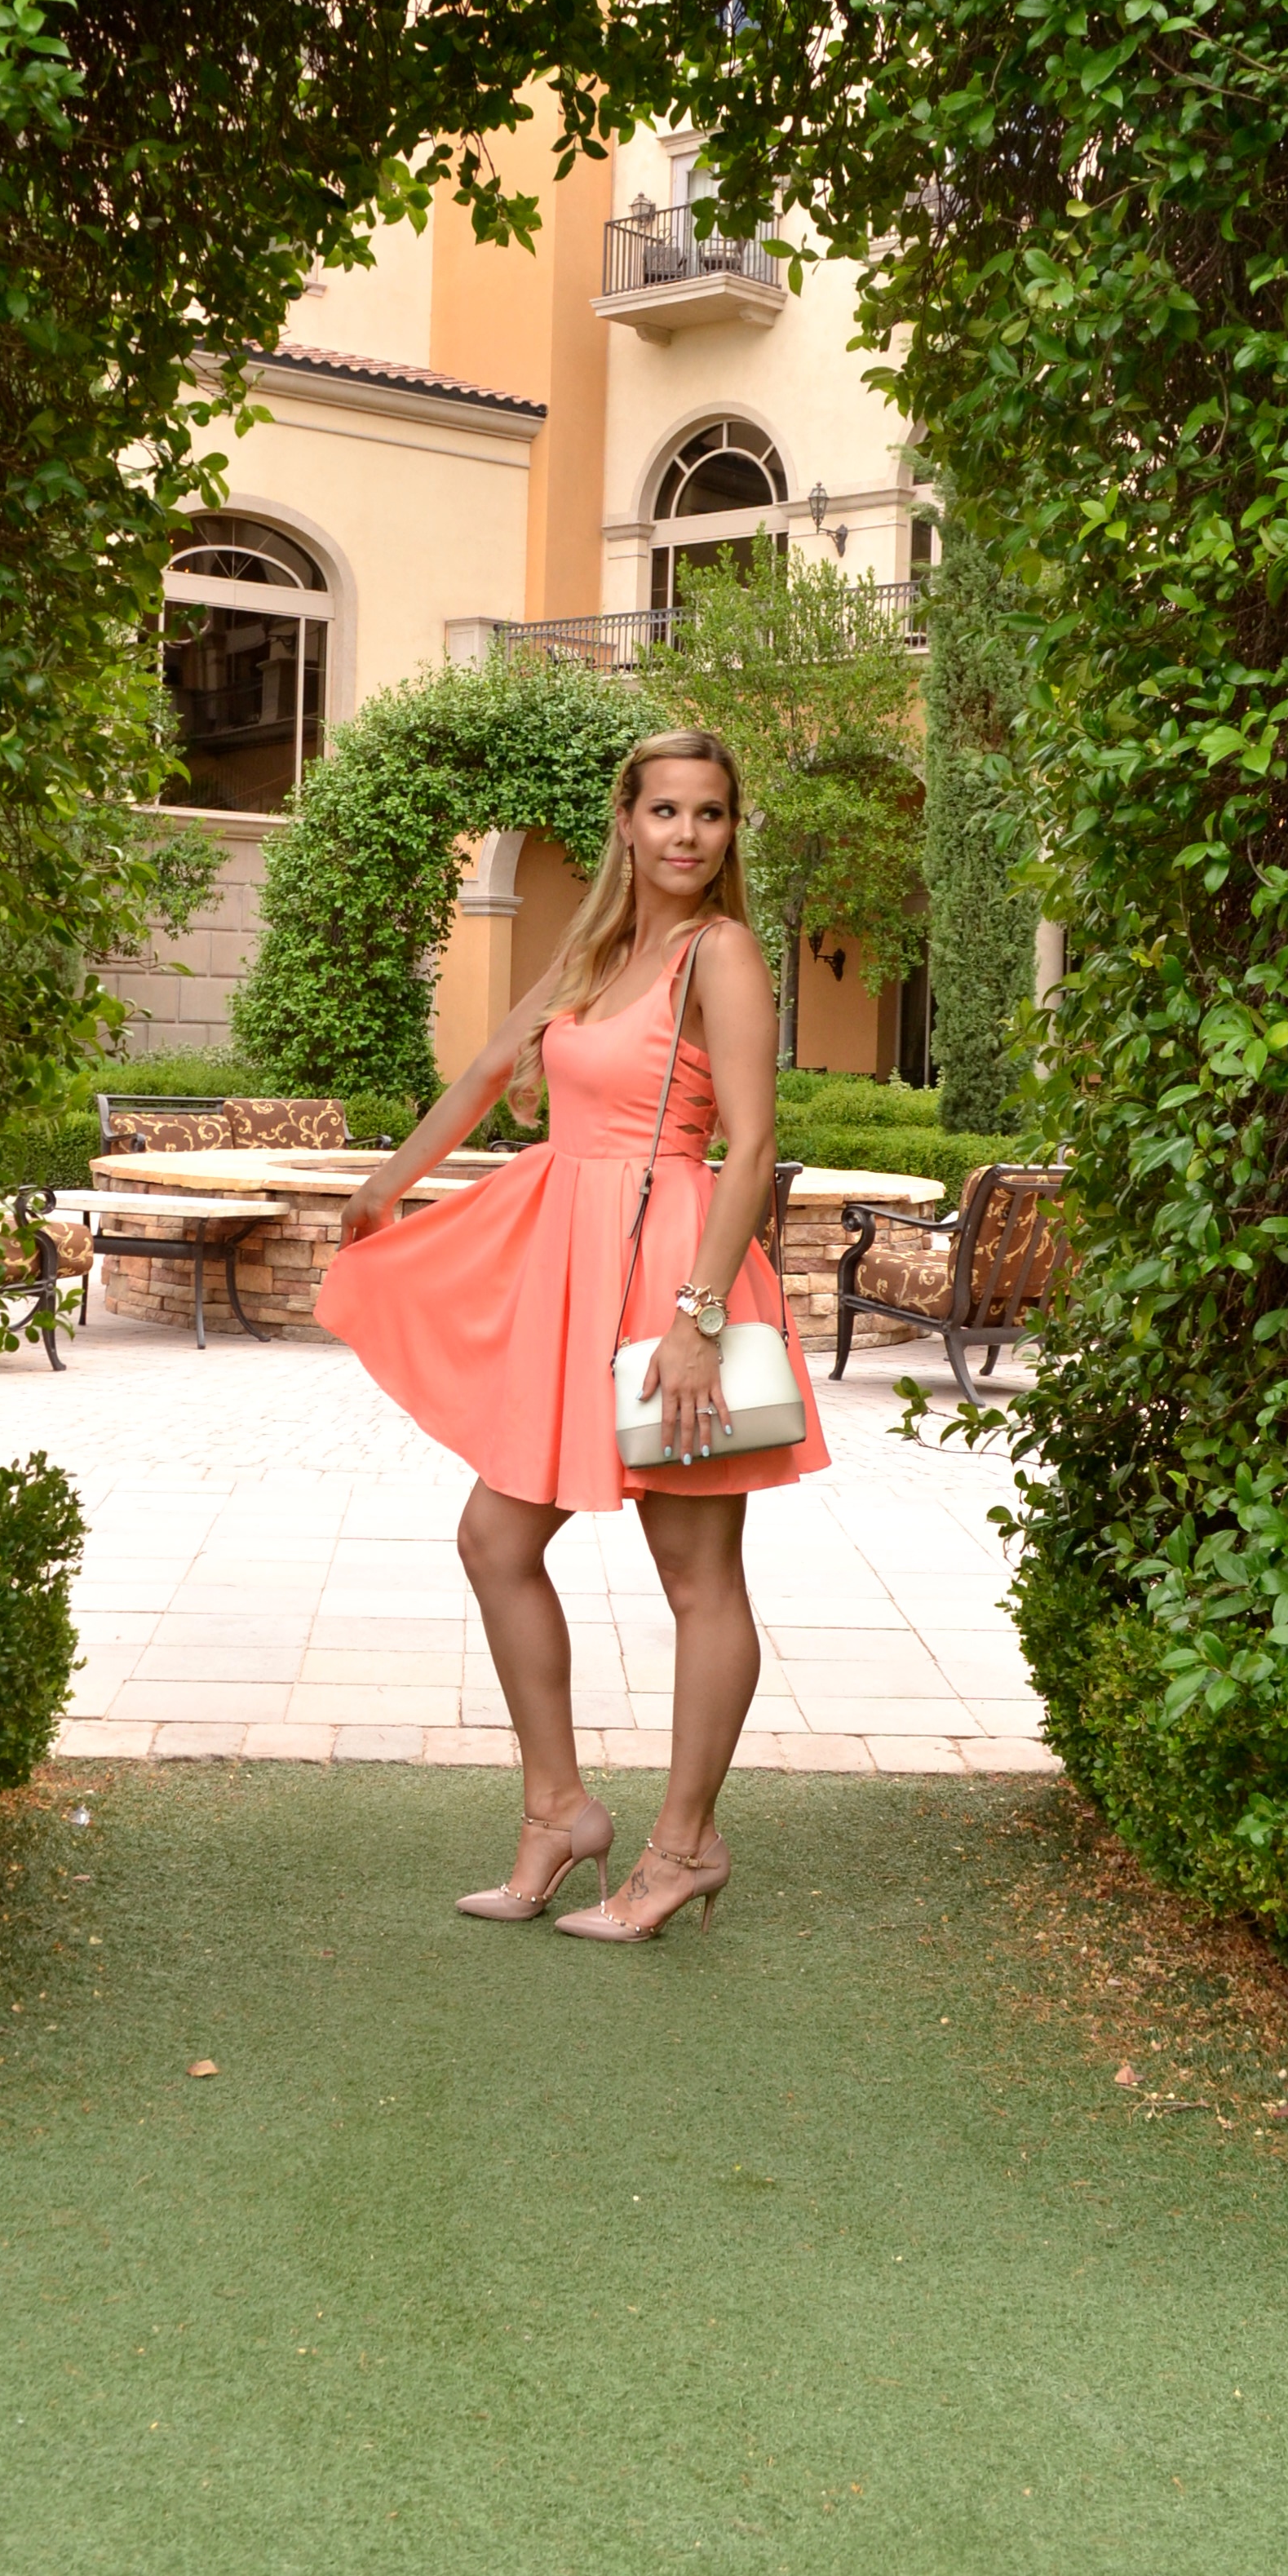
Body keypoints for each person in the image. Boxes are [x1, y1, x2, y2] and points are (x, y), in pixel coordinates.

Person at [316, 726, 826, 1943]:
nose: (688, 835)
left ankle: (684, 1847)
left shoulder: (725, 954)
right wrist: (385, 1186)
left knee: (697, 1580)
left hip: (671, 1278)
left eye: (710, 813)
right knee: (495, 1540)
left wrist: (698, 1322)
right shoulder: (599, 947)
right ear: (628, 823)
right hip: (573, 1269)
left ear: (731, 829)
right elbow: (492, 1064)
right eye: (665, 812)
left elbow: (749, 1147)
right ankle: (558, 1814)